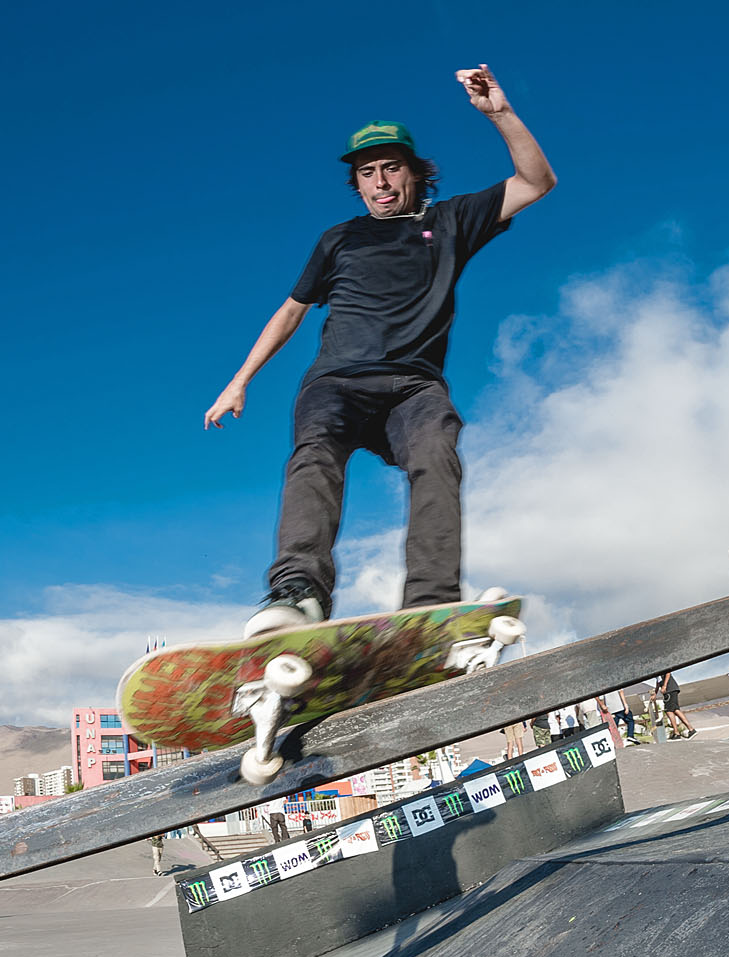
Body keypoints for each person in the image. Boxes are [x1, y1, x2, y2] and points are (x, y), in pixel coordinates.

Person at [206, 68, 558, 636]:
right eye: (368, 173)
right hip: (336, 384)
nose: (381, 181)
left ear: (415, 173)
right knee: (314, 456)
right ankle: (298, 594)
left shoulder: (450, 222)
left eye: (392, 167)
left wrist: (499, 114)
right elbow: (292, 309)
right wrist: (240, 378)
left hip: (412, 388)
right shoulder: (338, 239)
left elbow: (536, 182)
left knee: (436, 448)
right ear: (359, 184)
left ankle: (429, 602)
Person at [655, 672, 695, 738]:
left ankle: (682, 731)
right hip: (669, 691)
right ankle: (681, 732)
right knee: (674, 709)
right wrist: (655, 694)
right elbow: (658, 681)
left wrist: (664, 686)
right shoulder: (656, 673)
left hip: (670, 689)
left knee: (669, 710)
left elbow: (668, 673)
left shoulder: (659, 666)